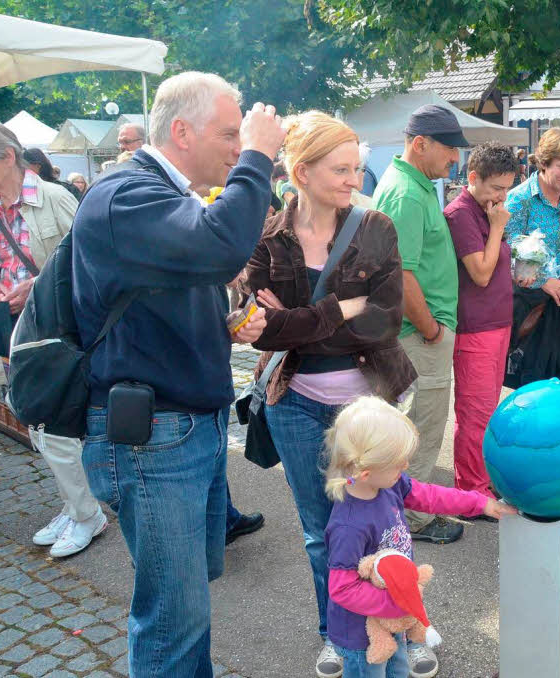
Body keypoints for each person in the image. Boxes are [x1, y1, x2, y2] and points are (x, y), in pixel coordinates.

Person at [73, 72, 283, 677]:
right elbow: (219, 248)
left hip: (183, 425)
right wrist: (261, 157)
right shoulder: (126, 196)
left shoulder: (161, 196)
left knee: (187, 604)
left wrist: (225, 323)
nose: (236, 147)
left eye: (242, 137)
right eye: (228, 134)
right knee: (172, 618)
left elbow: (171, 290)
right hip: (155, 439)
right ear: (182, 131)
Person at [238, 110, 416, 678]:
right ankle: (338, 634)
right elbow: (255, 328)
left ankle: (398, 623)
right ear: (302, 171)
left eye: (357, 168)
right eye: (341, 169)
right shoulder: (266, 235)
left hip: (366, 403)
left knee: (382, 524)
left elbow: (385, 322)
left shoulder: (376, 228)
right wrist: (341, 307)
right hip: (295, 403)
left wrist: (295, 320)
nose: (355, 180)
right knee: (322, 534)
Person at [324, 396, 515, 678]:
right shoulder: (349, 527)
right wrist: (397, 605)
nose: (405, 467)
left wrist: (481, 503)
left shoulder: (388, 484)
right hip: (362, 636)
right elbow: (342, 588)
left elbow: (429, 496)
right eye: (398, 463)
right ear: (366, 472)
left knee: (399, 670)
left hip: (394, 618)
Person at [0, 119, 106, 559]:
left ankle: (86, 513)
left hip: (58, 333)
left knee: (54, 427)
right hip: (16, 333)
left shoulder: (55, 198)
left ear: (7, 156)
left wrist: (35, 286)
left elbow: (91, 260)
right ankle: (74, 504)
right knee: (36, 423)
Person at [373, 103, 467, 558]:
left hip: (417, 329)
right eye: (450, 149)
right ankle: (412, 515)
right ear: (420, 144)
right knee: (421, 426)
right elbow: (402, 274)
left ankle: (402, 507)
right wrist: (431, 328)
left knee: (414, 424)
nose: (455, 159)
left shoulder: (414, 184)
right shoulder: (408, 194)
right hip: (418, 332)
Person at [443, 142, 517, 500]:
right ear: (473, 178)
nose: (502, 196)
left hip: (496, 322)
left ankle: (480, 480)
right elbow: (481, 274)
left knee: (486, 411)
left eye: (507, 188)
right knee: (475, 415)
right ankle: (471, 490)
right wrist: (499, 227)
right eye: (496, 188)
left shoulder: (485, 209)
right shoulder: (461, 214)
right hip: (476, 328)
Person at [504, 127, 560, 386]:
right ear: (543, 162)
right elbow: (504, 254)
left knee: (556, 381)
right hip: (534, 304)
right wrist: (544, 281)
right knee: (530, 384)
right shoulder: (519, 200)